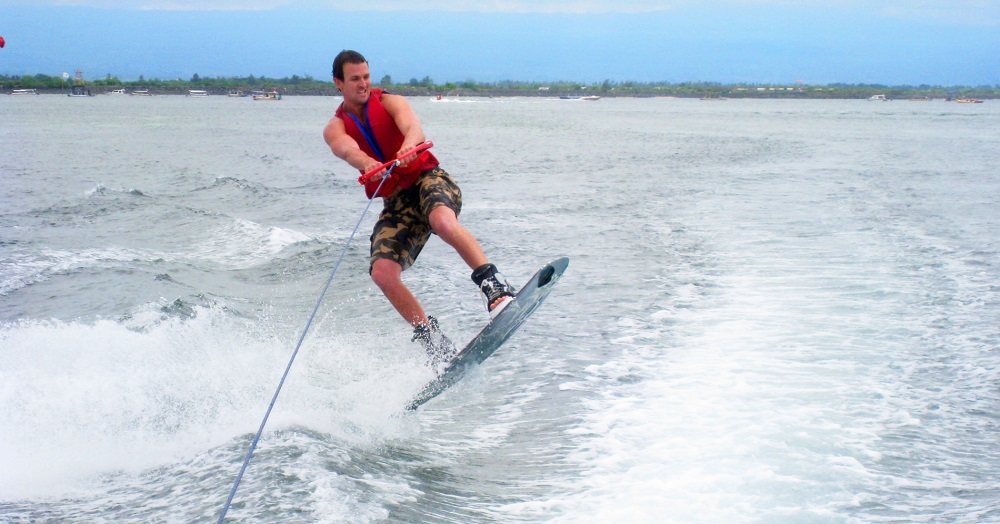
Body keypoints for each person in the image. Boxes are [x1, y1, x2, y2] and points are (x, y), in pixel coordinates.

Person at [323, 49, 514, 366]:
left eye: (367, 77)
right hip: (397, 201)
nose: (363, 84)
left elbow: (412, 126)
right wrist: (368, 163)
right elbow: (347, 150)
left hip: (429, 179)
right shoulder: (335, 127)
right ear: (338, 84)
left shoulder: (389, 101)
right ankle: (431, 338)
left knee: (441, 221)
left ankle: (495, 287)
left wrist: (410, 144)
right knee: (382, 273)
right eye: (355, 79)